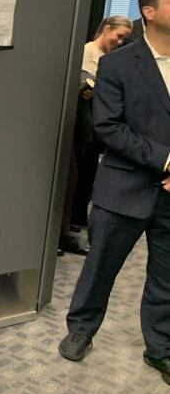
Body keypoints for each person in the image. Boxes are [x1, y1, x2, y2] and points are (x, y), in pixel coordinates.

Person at [58, 0, 170, 388]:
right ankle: (81, 330)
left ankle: (161, 347)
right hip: (124, 188)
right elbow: (109, 127)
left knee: (167, 276)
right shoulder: (118, 64)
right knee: (100, 266)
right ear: (150, 11)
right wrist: (167, 162)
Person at [59, 16, 132, 256]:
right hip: (78, 125)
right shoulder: (84, 53)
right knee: (71, 177)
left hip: (94, 128)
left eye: (124, 38)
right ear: (106, 29)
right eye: (118, 35)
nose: (120, 41)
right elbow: (82, 90)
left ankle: (74, 222)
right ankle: (63, 232)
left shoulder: (110, 60)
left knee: (84, 177)